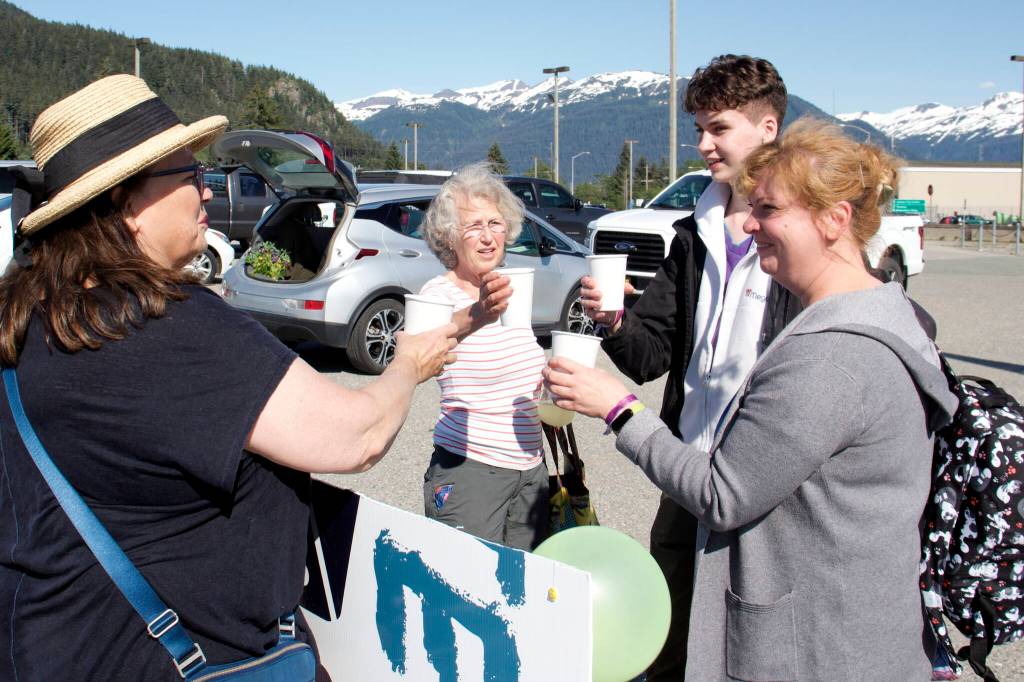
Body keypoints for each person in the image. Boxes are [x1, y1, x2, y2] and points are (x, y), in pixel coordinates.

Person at [0, 75, 457, 680]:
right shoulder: (160, 327)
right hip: (176, 659)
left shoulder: (32, 312)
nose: (207, 194)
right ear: (124, 205)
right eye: (189, 177)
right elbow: (357, 435)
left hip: (53, 641)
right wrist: (410, 364)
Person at [546, 119, 958, 680]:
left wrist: (621, 409)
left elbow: (722, 494)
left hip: (816, 649)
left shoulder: (830, 358)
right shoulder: (888, 316)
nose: (752, 224)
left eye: (769, 210)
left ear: (835, 220)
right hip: (854, 630)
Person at [579, 54, 800, 678]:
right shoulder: (693, 232)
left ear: (768, 127)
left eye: (717, 128)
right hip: (687, 470)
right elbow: (649, 355)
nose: (702, 144)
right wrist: (616, 318)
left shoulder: (800, 235)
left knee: (752, 638)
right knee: (670, 636)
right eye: (699, 128)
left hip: (766, 479)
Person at [419, 162, 550, 551]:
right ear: (449, 236)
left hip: (531, 471)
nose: (488, 236)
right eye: (474, 225)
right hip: (469, 470)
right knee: (466, 598)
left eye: (495, 224)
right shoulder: (437, 296)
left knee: (523, 593)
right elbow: (418, 355)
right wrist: (478, 312)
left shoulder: (511, 292)